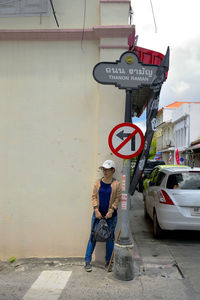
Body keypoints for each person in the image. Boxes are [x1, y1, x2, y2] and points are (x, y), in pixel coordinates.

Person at [84, 160, 122, 272]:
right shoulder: (97, 183)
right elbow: (93, 197)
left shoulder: (117, 184)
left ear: (113, 170)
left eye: (107, 169)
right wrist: (96, 209)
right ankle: (87, 261)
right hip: (97, 216)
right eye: (103, 169)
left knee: (109, 239)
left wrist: (112, 210)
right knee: (93, 237)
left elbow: (118, 198)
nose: (105, 171)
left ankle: (108, 262)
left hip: (111, 217)